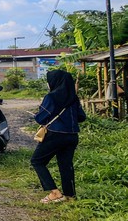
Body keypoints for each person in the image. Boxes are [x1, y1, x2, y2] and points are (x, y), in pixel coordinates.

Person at [30, 69, 86, 204]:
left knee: (37, 161)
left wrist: (38, 115)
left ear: (54, 82)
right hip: (72, 136)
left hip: (55, 134)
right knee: (66, 165)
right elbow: (82, 117)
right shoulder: (74, 98)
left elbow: (41, 118)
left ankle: (55, 193)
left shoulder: (51, 97)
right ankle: (70, 195)